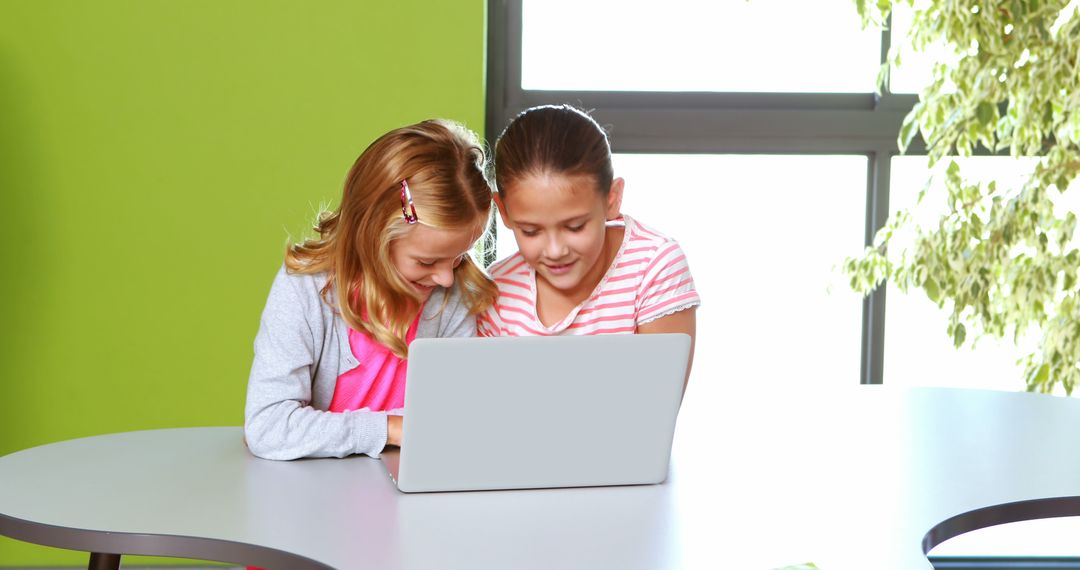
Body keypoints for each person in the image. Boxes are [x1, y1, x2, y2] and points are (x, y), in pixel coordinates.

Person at [245, 119, 497, 461]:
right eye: (425, 262)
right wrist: (390, 429)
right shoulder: (305, 290)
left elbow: (455, 423)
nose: (446, 279)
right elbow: (268, 426)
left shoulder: (452, 300)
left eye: (459, 258)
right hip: (314, 496)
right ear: (372, 235)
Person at [479, 105, 699, 384]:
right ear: (505, 212)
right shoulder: (496, 289)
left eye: (575, 227)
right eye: (531, 231)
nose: (556, 250)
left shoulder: (653, 267)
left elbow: (655, 408)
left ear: (612, 198)